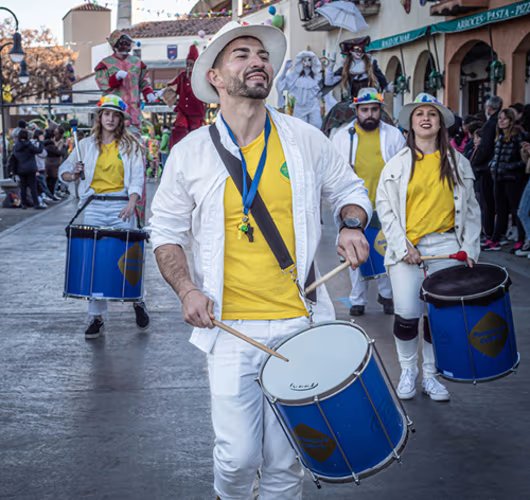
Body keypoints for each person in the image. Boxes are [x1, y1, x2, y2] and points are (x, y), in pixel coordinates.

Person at [149, 21, 372, 498]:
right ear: (215, 76)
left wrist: (352, 222)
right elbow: (165, 233)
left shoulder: (305, 139)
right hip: (231, 328)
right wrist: (187, 289)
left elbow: (349, 189)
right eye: (241, 55)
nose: (257, 62)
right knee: (237, 457)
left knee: (287, 459)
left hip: (299, 323)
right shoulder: (189, 154)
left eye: (263, 55)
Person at [376, 93, 481, 402]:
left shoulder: (457, 162)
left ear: (440, 123)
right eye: (419, 114)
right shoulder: (396, 164)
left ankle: (431, 375)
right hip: (407, 249)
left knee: (437, 316)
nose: (425, 118)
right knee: (407, 313)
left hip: (448, 246)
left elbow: (472, 210)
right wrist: (401, 245)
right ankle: (408, 371)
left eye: (432, 115)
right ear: (411, 123)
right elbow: (386, 210)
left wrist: (471, 251)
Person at [59, 95, 150, 339]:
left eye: (115, 115)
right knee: (94, 263)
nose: (110, 119)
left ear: (120, 119)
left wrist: (132, 202)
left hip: (122, 206)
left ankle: (137, 301)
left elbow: (137, 177)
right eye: (106, 114)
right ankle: (96, 317)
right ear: (100, 117)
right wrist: (73, 174)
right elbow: (64, 173)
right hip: (94, 206)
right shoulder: (85, 145)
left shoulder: (130, 145)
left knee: (127, 258)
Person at [332, 87, 405, 316]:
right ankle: (358, 299)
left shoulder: (393, 135)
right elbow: (334, 171)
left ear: (380, 110)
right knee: (355, 251)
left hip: (386, 204)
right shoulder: (342, 137)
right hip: (354, 207)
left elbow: (403, 167)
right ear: (357, 110)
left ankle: (386, 294)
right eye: (365, 110)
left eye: (374, 109)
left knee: (385, 250)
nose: (370, 114)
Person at [483, 108, 528, 253]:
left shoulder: (518, 136)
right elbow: (496, 156)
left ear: (511, 120)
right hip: (498, 177)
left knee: (516, 210)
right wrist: (493, 165)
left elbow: (524, 161)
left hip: (512, 178)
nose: (501, 121)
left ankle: (521, 239)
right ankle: (496, 239)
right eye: (500, 118)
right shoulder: (500, 136)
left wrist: (506, 167)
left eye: (505, 118)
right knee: (500, 210)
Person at [95, 30, 156, 131]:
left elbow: (143, 80)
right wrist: (115, 79)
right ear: (115, 44)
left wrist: (148, 92)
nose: (125, 46)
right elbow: (101, 83)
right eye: (122, 43)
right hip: (114, 112)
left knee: (133, 139)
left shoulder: (137, 62)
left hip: (133, 111)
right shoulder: (106, 63)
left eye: (127, 43)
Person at [163, 45, 206, 148]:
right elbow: (173, 85)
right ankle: (176, 151)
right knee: (179, 131)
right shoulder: (182, 76)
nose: (189, 66)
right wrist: (163, 91)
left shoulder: (199, 77)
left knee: (195, 136)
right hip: (183, 111)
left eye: (191, 63)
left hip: (196, 113)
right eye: (187, 63)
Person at [473, 95, 502, 243]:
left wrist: (475, 163)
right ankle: (492, 232)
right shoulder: (495, 122)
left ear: (489, 108)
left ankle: (489, 233)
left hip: (486, 168)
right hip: (492, 167)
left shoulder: (491, 123)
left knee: (487, 203)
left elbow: (485, 147)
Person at [325, 36, 389, 100]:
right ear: (350, 50)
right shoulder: (345, 68)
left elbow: (380, 77)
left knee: (379, 102)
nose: (360, 52)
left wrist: (386, 87)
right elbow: (328, 82)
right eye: (357, 49)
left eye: (362, 49)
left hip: (370, 97)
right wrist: (330, 66)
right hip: (354, 99)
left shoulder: (371, 64)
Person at [276, 50, 322, 128]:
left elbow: (325, 81)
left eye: (309, 60)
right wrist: (285, 69)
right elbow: (280, 83)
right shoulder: (295, 76)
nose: (307, 62)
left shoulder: (316, 76)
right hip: (299, 107)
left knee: (317, 125)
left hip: (313, 105)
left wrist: (311, 56)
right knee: (300, 127)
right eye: (305, 60)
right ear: (301, 62)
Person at [12, 129, 46, 210]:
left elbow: (14, 157)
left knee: (23, 187)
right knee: (33, 187)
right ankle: (36, 204)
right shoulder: (29, 145)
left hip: (20, 169)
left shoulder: (16, 146)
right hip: (31, 169)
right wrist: (41, 142)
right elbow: (39, 151)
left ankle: (24, 204)